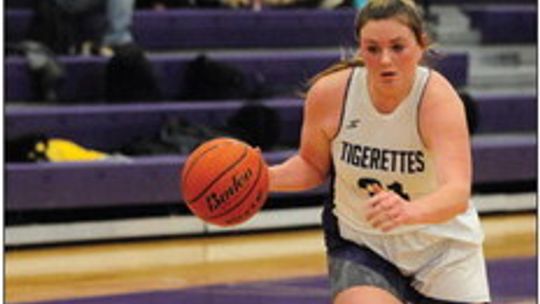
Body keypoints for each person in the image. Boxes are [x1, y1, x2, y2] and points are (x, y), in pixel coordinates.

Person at [268, 0, 490, 303]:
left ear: (421, 45)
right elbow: (311, 165)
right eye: (373, 49)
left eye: (397, 47)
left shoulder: (437, 99)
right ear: (361, 49)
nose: (385, 60)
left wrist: (408, 211)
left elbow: (456, 192)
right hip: (363, 244)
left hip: (442, 251)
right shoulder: (331, 94)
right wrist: (261, 178)